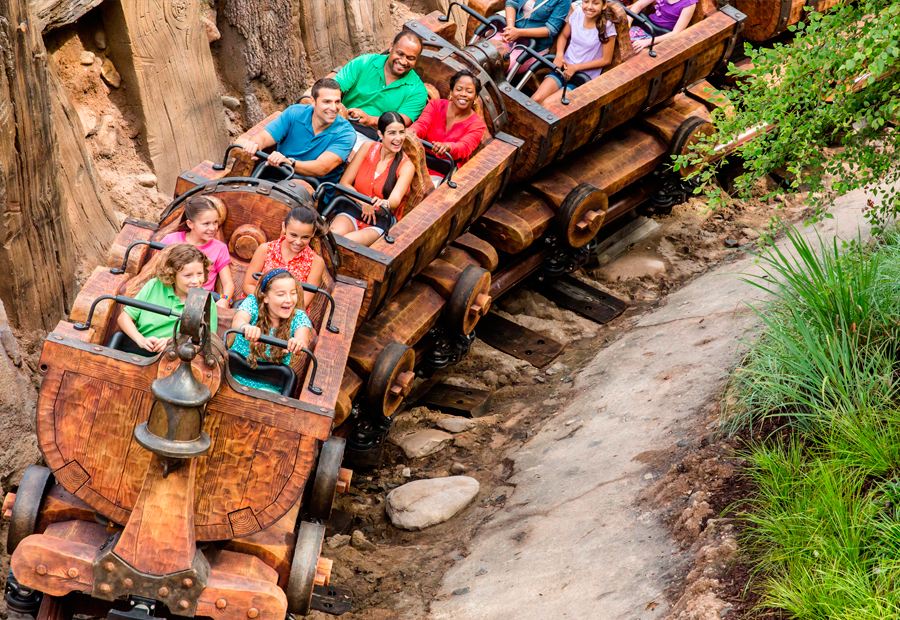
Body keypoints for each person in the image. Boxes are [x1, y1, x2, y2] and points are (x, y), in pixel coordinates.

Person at [235, 78, 356, 191]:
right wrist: (255, 144)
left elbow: (322, 168)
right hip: (278, 175)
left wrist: (290, 162)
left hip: (310, 188)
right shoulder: (295, 113)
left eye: (337, 102)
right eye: (327, 102)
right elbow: (263, 136)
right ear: (313, 101)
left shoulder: (346, 133)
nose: (333, 108)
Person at [330, 31, 429, 150]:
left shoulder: (417, 90)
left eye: (410, 58)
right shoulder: (365, 62)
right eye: (400, 54)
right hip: (339, 119)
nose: (403, 61)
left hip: (373, 137)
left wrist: (370, 119)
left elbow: (399, 124)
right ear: (391, 46)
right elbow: (333, 87)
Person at [329, 112, 415, 247]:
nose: (398, 138)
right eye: (392, 133)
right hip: (353, 210)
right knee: (333, 236)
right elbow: (344, 183)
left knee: (347, 244)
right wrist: (364, 202)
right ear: (380, 134)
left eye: (402, 132)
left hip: (378, 220)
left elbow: (394, 200)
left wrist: (382, 203)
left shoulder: (406, 166)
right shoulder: (367, 147)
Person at [117, 243, 218, 354]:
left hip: (174, 358)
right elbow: (124, 317)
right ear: (173, 274)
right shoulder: (154, 285)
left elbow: (209, 341)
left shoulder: (205, 300)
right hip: (138, 349)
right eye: (188, 275)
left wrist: (172, 342)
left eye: (199, 274)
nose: (195, 280)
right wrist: (140, 340)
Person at [230, 269, 312, 394]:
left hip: (269, 386)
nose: (289, 300)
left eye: (293, 293)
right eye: (281, 294)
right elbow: (238, 320)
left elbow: (303, 340)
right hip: (233, 376)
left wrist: (298, 343)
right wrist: (245, 327)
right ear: (266, 297)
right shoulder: (253, 303)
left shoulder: (299, 317)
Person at [531, 0, 618, 105]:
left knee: (548, 104)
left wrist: (576, 67)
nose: (589, 7)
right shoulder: (577, 14)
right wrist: (559, 55)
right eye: (586, 2)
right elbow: (563, 36)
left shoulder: (607, 27)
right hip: (564, 69)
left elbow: (606, 59)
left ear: (603, 5)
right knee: (535, 99)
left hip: (582, 77)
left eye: (595, 3)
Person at [409, 69, 487, 186]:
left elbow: (464, 147)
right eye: (459, 89)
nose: (463, 94)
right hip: (416, 158)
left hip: (441, 170)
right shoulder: (435, 105)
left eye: (469, 91)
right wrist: (411, 132)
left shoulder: (477, 125)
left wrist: (447, 147)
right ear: (451, 91)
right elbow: (422, 124)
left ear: (475, 96)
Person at [242, 207, 327, 309]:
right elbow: (248, 285)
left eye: (305, 237)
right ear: (284, 227)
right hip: (258, 304)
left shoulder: (315, 262)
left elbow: (304, 301)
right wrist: (268, 302)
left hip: (289, 312)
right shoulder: (265, 249)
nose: (298, 242)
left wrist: (279, 308)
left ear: (313, 233)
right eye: (293, 235)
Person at [160, 196, 234, 308]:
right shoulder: (171, 240)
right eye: (206, 224)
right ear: (190, 224)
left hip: (198, 301)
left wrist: (225, 299)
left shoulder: (220, 248)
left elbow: (228, 283)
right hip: (169, 295)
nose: (213, 228)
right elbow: (154, 268)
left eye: (215, 222)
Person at [494, 0, 572, 73]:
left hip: (533, 46)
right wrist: (510, 27)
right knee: (487, 51)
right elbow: (512, 3)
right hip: (511, 32)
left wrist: (519, 33)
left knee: (498, 65)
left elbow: (551, 29)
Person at [627, 0, 697, 53]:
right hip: (647, 27)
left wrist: (648, 42)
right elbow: (639, 5)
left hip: (661, 38)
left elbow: (676, 32)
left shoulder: (688, 4)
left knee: (639, 52)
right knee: (623, 38)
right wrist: (628, 23)